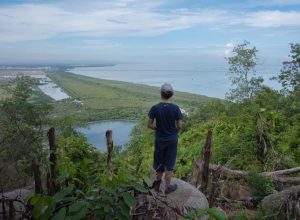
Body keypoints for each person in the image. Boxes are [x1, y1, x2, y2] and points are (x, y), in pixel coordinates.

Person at [148, 83, 183, 194]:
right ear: (171, 95)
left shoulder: (155, 108)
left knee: (159, 162)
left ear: (161, 93)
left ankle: (157, 186)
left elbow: (149, 125)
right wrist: (173, 131)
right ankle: (167, 187)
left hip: (160, 139)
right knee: (170, 163)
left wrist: (159, 128)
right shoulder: (175, 108)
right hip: (172, 139)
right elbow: (179, 126)